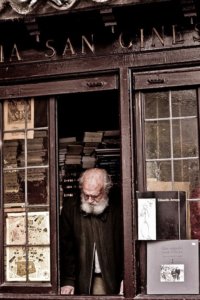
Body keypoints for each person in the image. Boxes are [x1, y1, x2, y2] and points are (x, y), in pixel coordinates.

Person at [60, 167, 124, 295]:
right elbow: (66, 248)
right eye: (85, 194)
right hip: (81, 279)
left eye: (95, 196)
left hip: (113, 278)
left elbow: (126, 246)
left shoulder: (120, 207)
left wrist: (126, 277)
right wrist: (68, 280)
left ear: (106, 190)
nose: (89, 200)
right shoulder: (70, 208)